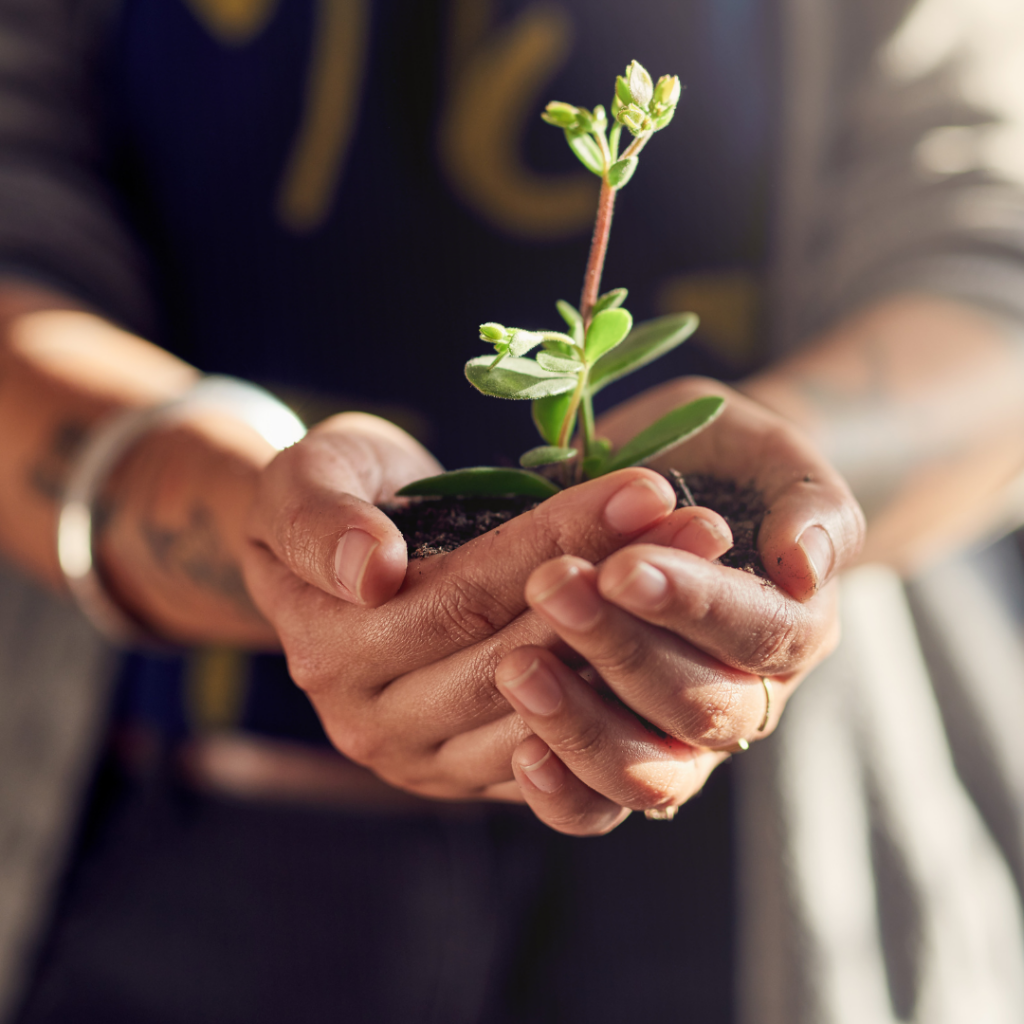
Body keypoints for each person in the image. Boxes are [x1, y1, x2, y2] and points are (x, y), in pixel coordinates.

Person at [0, 0, 1023, 1021]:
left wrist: (779, 513)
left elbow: (986, 256)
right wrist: (263, 525)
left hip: (740, 883)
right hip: (156, 850)